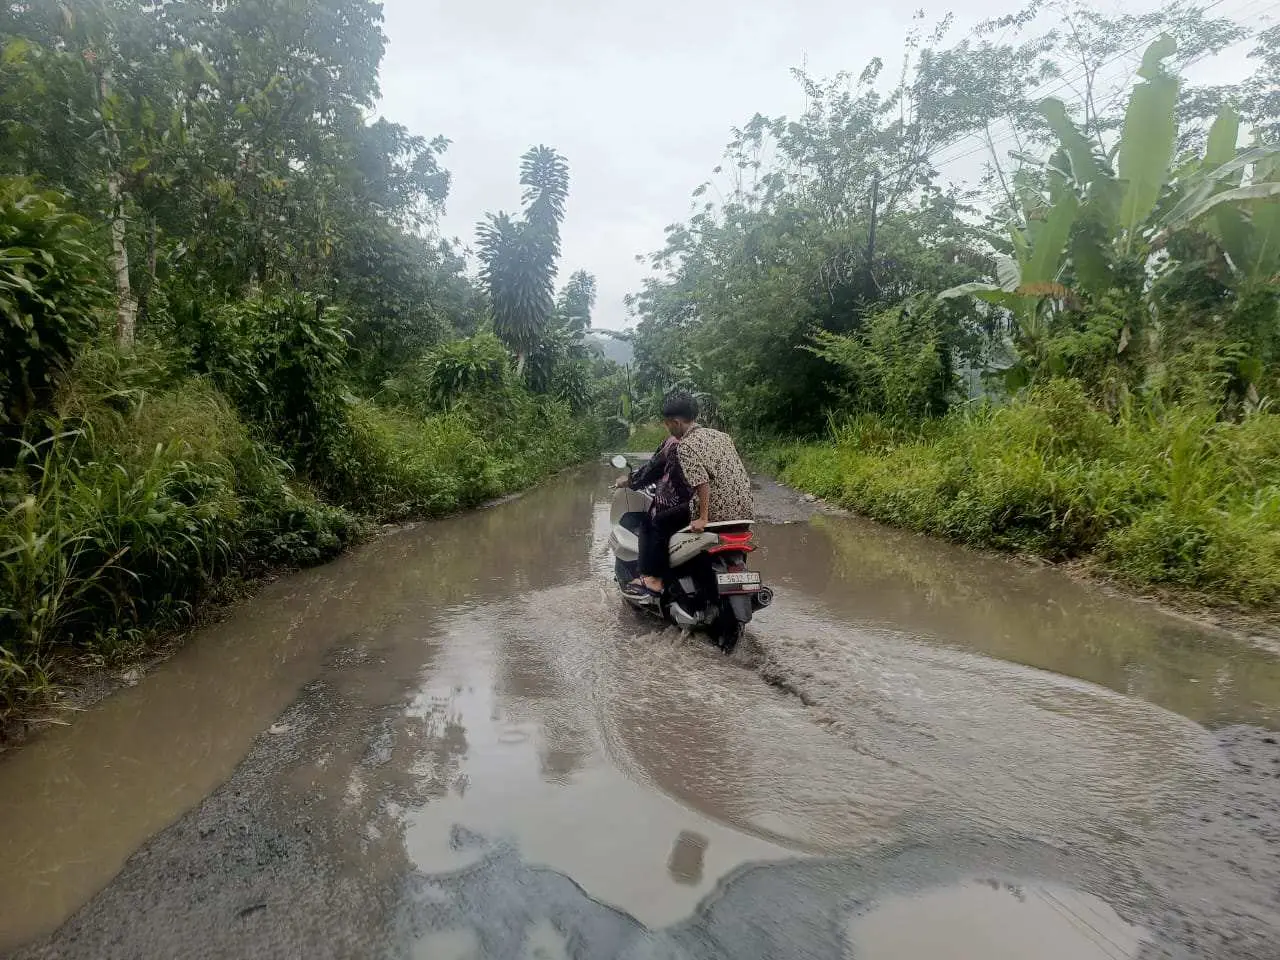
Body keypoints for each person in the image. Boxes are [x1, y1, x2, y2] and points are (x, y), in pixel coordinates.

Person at [629, 392, 754, 597]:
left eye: (667, 424)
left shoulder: (685, 445)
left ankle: (654, 579)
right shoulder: (721, 436)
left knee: (658, 521)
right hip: (744, 510)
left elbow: (701, 483)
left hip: (713, 512)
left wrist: (703, 518)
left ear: (676, 422)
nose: (668, 429)